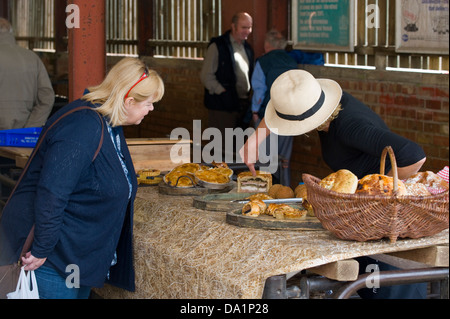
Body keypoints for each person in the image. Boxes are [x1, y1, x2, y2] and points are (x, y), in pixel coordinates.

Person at [239, 69, 428, 299]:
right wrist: (255, 140)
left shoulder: (350, 126)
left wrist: (377, 194)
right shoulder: (319, 104)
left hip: (379, 222)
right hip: (358, 222)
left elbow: (414, 155)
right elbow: (288, 101)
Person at [0, 57, 165, 299]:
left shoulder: (109, 123)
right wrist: (43, 247)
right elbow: (52, 191)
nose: (151, 109)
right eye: (149, 103)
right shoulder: (82, 126)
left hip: (78, 256)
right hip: (53, 260)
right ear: (128, 101)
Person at [250, 29, 299, 186]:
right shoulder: (292, 62)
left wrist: (255, 111)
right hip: (289, 116)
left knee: (265, 158)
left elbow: (259, 90)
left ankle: (264, 191)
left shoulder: (262, 62)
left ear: (267, 44)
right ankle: (283, 190)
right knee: (283, 159)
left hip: (269, 116)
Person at [200, 12, 254, 152]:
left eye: (249, 27)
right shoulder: (218, 46)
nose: (247, 31)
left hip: (241, 105)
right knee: (221, 148)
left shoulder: (247, 48)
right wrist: (223, 92)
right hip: (221, 107)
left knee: (238, 148)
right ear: (233, 26)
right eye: (244, 27)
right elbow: (206, 76)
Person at [0, 18, 55, 130]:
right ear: (11, 32)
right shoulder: (32, 58)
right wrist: (29, 128)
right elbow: (47, 98)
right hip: (22, 140)